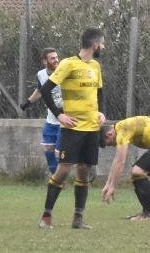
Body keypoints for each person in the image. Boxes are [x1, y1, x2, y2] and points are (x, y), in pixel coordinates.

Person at [37, 27, 106, 230]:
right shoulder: (68, 64)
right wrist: (60, 115)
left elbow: (100, 93)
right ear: (94, 45)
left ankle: (78, 219)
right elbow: (46, 90)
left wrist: (102, 113)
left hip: (92, 128)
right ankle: (46, 217)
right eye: (102, 43)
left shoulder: (96, 66)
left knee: (84, 171)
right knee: (63, 170)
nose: (103, 46)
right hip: (72, 128)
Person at [100, 116, 150, 220]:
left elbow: (120, 162)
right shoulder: (120, 128)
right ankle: (147, 213)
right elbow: (117, 159)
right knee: (136, 173)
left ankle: (149, 214)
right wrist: (108, 183)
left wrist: (113, 186)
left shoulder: (122, 131)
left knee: (137, 171)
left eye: (110, 143)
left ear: (109, 134)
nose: (112, 145)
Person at [20, 48, 63, 174]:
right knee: (48, 148)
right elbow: (40, 90)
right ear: (45, 61)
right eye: (52, 58)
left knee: (59, 152)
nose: (56, 60)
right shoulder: (41, 75)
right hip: (51, 118)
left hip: (65, 118)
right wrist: (28, 102)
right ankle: (55, 177)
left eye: (56, 57)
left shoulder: (64, 72)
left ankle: (59, 177)